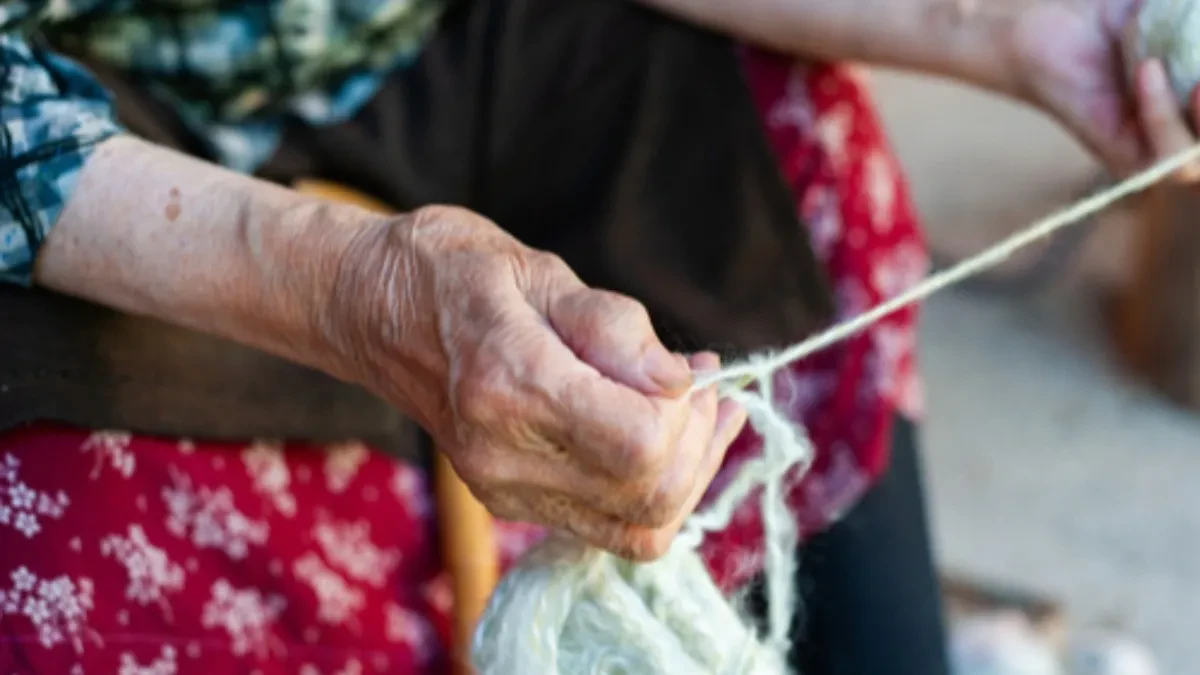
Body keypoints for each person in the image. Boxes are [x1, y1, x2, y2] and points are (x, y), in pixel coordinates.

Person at [0, 0, 1196, 673]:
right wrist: (359, 290)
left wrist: (1001, 31)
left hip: (446, 36)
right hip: (94, 157)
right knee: (67, 552)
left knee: (792, 162)